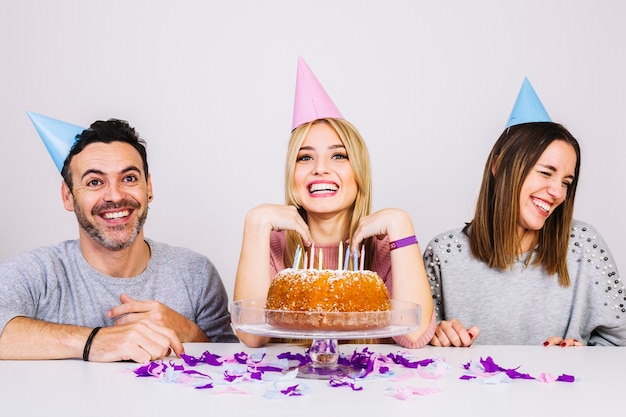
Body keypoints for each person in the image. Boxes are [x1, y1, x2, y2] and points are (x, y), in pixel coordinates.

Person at [0, 114, 238, 363]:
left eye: (129, 178)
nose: (114, 195)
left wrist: (190, 332)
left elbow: (229, 367)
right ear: (68, 196)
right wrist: (96, 341)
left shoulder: (196, 273)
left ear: (149, 187)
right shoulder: (38, 273)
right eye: (94, 182)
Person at [234, 57, 435, 348]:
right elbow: (252, 335)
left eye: (338, 155)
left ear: (359, 172)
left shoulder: (384, 247)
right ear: (292, 174)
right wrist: (256, 222)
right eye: (305, 157)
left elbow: (414, 335)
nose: (321, 169)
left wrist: (401, 224)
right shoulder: (274, 244)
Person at [425, 78, 625, 347]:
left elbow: (619, 342)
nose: (558, 192)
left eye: (566, 182)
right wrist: (435, 336)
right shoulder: (444, 253)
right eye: (545, 172)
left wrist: (584, 356)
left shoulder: (584, 244)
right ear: (499, 167)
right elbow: (419, 351)